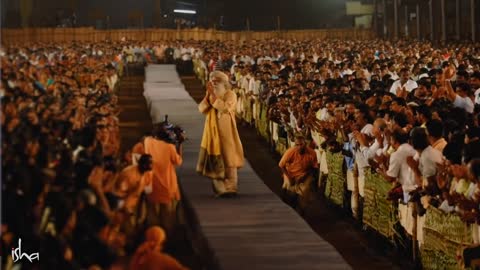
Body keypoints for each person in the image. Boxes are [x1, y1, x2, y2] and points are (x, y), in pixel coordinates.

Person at [197, 71, 245, 197]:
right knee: (215, 160)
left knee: (229, 158)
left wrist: (213, 96)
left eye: (216, 81)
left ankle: (231, 188)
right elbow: (202, 109)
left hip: (226, 132)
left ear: (223, 82)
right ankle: (221, 189)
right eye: (212, 81)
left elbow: (225, 108)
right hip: (212, 133)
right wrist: (209, 96)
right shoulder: (211, 94)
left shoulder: (231, 94)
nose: (213, 83)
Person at [279, 134, 318, 213]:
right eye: (297, 145)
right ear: (294, 145)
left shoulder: (312, 153)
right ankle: (284, 204)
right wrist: (289, 178)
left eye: (301, 144)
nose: (299, 147)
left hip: (305, 174)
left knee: (303, 194)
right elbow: (281, 165)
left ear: (305, 144)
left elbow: (314, 168)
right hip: (290, 173)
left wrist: (304, 178)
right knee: (288, 189)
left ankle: (302, 211)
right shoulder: (290, 151)